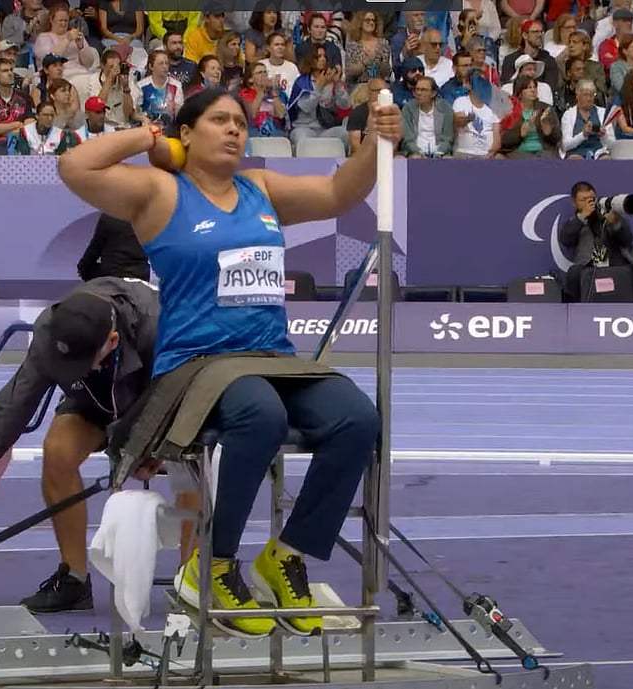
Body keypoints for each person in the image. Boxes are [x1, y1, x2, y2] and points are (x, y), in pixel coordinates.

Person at [57, 88, 402, 639]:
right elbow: (75, 166)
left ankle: (286, 554)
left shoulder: (259, 188)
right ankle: (211, 565)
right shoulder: (159, 191)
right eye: (218, 120)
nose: (235, 129)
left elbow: (339, 191)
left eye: (241, 121)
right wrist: (150, 139)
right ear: (187, 134)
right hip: (198, 365)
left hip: (272, 358)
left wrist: (378, 143)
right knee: (259, 416)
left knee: (357, 419)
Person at [0, 276, 188, 614]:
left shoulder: (159, 325)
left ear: (112, 340)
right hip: (95, 401)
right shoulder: (51, 331)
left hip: (161, 395)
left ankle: (190, 580)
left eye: (80, 363)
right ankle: (74, 579)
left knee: (190, 462)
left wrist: (148, 443)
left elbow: (182, 394)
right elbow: (11, 411)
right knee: (58, 449)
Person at [558, 181, 633, 303]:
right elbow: (565, 239)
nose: (589, 203)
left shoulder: (610, 214)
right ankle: (575, 313)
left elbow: (627, 240)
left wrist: (616, 224)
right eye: (583, 200)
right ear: (574, 203)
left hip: (617, 265)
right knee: (573, 273)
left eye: (592, 199)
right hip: (588, 267)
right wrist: (583, 217)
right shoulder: (575, 222)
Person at [77, 212, 150, 283]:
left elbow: (94, 250)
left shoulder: (109, 217)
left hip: (112, 275)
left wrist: (82, 268)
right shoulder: (148, 219)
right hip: (140, 277)